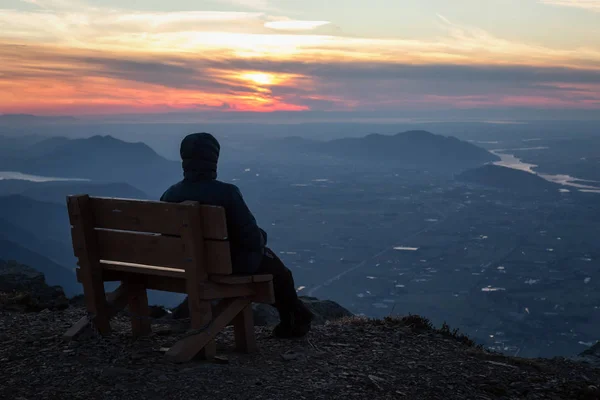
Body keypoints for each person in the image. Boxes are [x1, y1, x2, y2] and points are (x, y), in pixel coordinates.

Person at [160, 132, 314, 338]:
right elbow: (251, 239)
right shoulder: (227, 193)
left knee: (268, 262)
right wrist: (262, 237)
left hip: (186, 265)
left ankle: (297, 317)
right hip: (227, 267)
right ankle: (294, 319)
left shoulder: (170, 194)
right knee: (280, 273)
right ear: (213, 159)